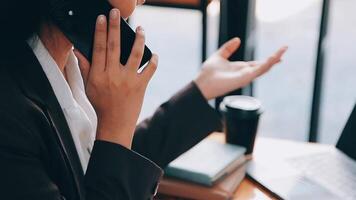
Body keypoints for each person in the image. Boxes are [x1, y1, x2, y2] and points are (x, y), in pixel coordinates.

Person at [0, 0, 287, 199]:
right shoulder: (10, 114)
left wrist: (202, 88)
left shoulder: (66, 62)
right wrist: (114, 124)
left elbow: (105, 164)